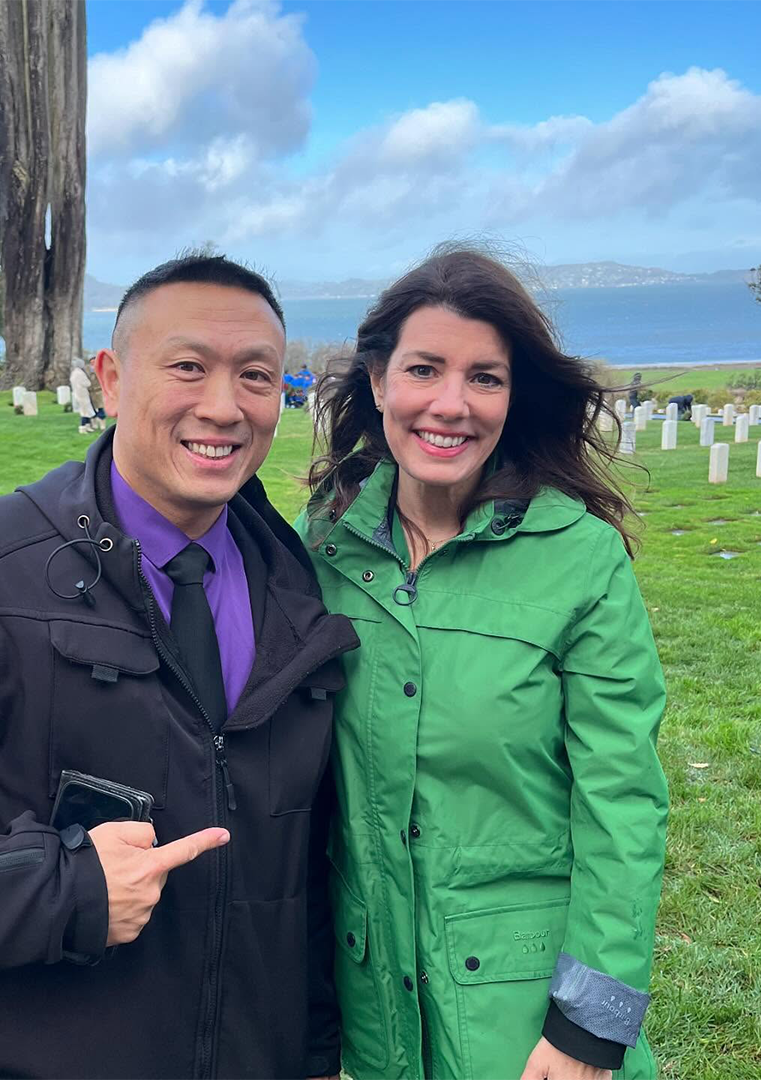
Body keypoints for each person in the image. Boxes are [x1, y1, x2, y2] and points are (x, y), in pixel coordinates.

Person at [0, 253, 351, 1078]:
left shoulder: (292, 580)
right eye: (188, 367)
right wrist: (60, 887)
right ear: (112, 381)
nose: (224, 407)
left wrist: (311, 1055)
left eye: (256, 376)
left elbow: (302, 859)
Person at [299, 248, 667, 1079]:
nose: (451, 405)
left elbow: (623, 803)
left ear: (515, 394)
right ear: (379, 380)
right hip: (369, 1008)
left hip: (528, 1015)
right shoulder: (318, 546)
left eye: (485, 378)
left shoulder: (581, 558)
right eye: (424, 369)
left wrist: (588, 1028)